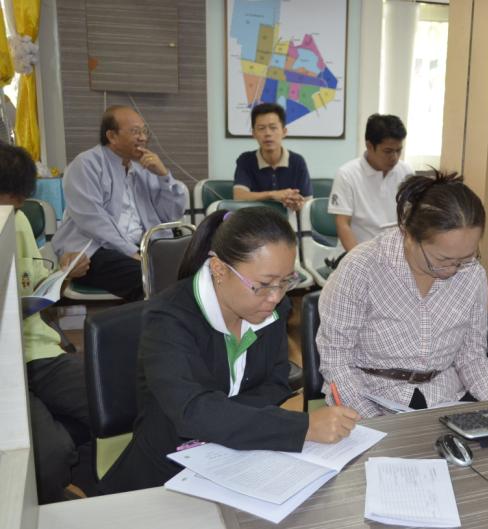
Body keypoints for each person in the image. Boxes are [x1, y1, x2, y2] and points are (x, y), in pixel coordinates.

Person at [98, 206, 359, 494]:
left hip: (241, 458)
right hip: (167, 471)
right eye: (262, 285)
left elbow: (275, 385)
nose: (275, 296)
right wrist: (301, 427)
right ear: (219, 270)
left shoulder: (272, 309)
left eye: (286, 281)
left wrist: (221, 416)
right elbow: (192, 413)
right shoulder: (168, 318)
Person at [317, 172, 488, 418]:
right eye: (443, 259)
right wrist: (374, 422)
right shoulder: (363, 267)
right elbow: (336, 360)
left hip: (445, 398)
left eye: (466, 258)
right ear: (409, 234)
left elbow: (472, 357)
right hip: (371, 398)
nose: (453, 269)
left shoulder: (473, 274)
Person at [0, 143, 92, 503]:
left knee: (116, 400)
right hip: (6, 367)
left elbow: (36, 285)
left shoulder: (18, 220)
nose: (15, 211)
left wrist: (63, 276)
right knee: (49, 456)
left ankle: (85, 477)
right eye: (11, 202)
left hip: (37, 350)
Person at [52, 105, 187, 301]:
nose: (143, 138)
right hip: (95, 250)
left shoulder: (144, 169)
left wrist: (164, 176)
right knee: (151, 280)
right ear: (112, 136)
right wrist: (133, 253)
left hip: (142, 247)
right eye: (135, 131)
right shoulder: (86, 164)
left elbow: (171, 215)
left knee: (192, 272)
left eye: (144, 131)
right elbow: (94, 222)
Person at [328, 113, 413, 251]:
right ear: (369, 146)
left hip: (396, 252)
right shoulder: (347, 175)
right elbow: (342, 224)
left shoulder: (406, 171)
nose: (394, 157)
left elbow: (412, 216)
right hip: (357, 251)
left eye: (398, 150)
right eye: (388, 151)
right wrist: (359, 259)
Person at [233, 103, 312, 211]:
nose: (267, 133)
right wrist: (273, 195)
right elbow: (239, 196)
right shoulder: (246, 160)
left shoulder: (297, 161)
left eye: (273, 128)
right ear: (253, 133)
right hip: (255, 220)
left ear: (284, 132)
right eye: (261, 128)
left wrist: (297, 204)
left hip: (288, 220)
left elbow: (307, 204)